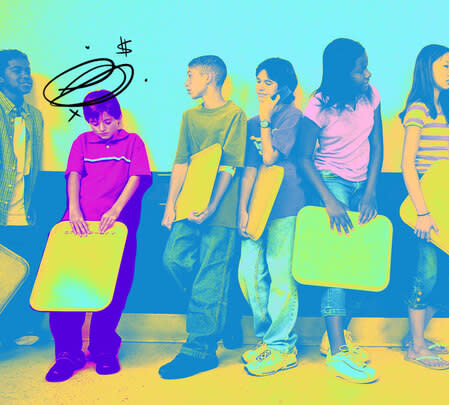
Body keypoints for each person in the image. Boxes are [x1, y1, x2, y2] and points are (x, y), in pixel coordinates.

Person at [46, 90, 151, 382]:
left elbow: (136, 177)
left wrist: (115, 211)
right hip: (79, 227)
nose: (101, 128)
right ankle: (67, 354)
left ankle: (103, 349)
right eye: (95, 123)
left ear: (118, 118)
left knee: (113, 291)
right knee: (68, 291)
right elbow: (74, 175)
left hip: (116, 230)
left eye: (107, 121)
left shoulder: (133, 142)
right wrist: (74, 211)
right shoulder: (82, 141)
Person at [297, 38, 383, 383]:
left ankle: (333, 336)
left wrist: (372, 191)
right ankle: (337, 353)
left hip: (364, 183)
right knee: (338, 262)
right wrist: (330, 201)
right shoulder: (319, 105)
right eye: (361, 67)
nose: (367, 72)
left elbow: (377, 146)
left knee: (362, 261)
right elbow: (302, 157)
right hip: (331, 180)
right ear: (342, 72)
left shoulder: (371, 96)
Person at [158, 55, 247, 379]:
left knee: (211, 277)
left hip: (219, 211)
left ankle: (200, 350)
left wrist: (212, 206)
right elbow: (181, 161)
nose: (186, 82)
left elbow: (230, 166)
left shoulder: (235, 115)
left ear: (210, 77)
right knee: (174, 260)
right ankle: (224, 309)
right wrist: (170, 205)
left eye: (190, 75)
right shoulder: (189, 117)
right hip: (188, 204)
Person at [237, 57, 304, 376]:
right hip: (258, 204)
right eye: (258, 80)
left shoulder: (292, 116)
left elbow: (270, 156)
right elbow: (251, 168)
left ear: (284, 87)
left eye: (268, 82)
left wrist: (266, 119)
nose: (261, 87)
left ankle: (282, 347)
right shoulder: (252, 122)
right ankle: (269, 339)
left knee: (281, 274)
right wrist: (243, 208)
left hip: (286, 202)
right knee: (248, 272)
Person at [398, 44, 449, 370]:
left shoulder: (443, 111)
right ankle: (416, 346)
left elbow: (445, 165)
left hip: (444, 199)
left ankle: (415, 336)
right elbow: (408, 165)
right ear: (427, 68)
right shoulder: (418, 109)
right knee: (426, 272)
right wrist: (422, 210)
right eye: (444, 66)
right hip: (422, 201)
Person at [0, 49, 46, 350]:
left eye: (27, 69)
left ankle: (14, 329)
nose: (25, 75)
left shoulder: (34, 115)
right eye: (17, 70)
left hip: (23, 209)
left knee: (22, 271)